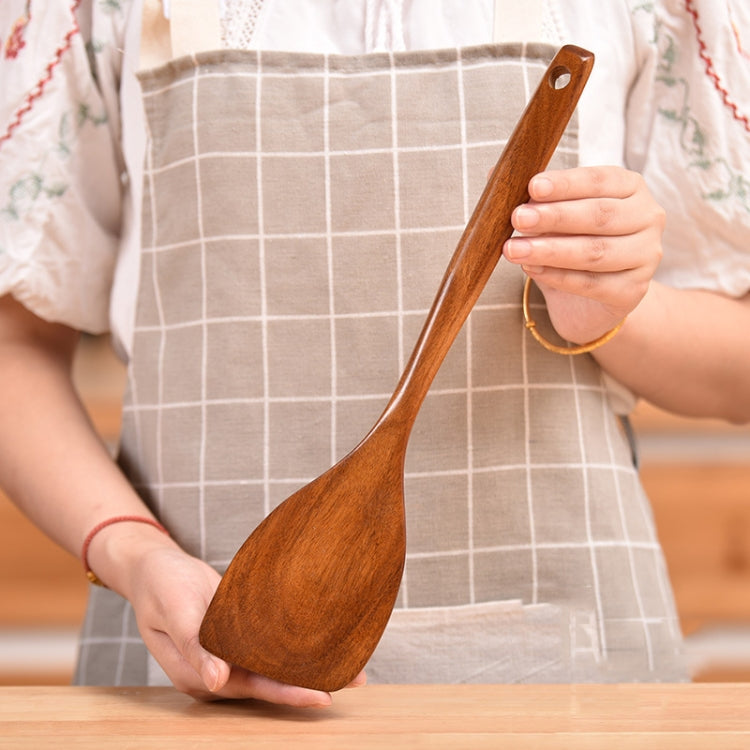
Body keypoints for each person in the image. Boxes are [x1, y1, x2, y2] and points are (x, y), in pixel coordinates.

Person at [0, 0, 748, 706]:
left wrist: (617, 310)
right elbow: (14, 349)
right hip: (197, 655)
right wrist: (134, 554)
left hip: (567, 690)